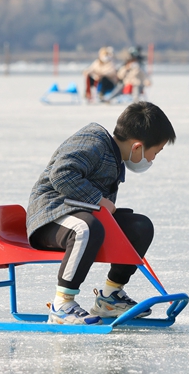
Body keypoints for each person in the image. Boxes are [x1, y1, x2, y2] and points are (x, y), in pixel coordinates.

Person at [26, 102, 176, 325]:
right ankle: (62, 304)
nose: (152, 159)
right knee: (85, 227)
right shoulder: (93, 140)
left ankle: (110, 297)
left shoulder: (115, 156)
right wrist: (96, 200)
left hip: (81, 218)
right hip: (51, 217)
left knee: (139, 226)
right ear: (137, 147)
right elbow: (62, 174)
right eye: (155, 152)